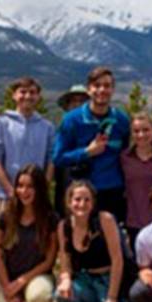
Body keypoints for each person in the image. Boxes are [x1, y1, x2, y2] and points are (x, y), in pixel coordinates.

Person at [0, 165, 58, 302]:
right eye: (20, 185)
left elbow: (49, 261)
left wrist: (21, 282)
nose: (23, 191)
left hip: (36, 277)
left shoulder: (50, 219)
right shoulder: (3, 217)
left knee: (39, 296)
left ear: (40, 189)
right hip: (7, 279)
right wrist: (8, 289)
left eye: (30, 186)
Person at [55, 180, 124, 302]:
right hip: (85, 281)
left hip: (109, 283)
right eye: (77, 199)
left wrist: (112, 299)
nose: (82, 204)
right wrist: (66, 279)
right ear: (69, 202)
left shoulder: (104, 220)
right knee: (61, 295)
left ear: (93, 202)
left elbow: (118, 260)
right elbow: (65, 260)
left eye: (87, 199)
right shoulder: (64, 226)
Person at [52, 66, 131, 222]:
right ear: (89, 90)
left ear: (113, 89)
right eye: (97, 86)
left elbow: (126, 153)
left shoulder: (121, 120)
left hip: (113, 191)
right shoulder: (72, 120)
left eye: (107, 86)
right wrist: (86, 152)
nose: (102, 90)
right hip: (82, 193)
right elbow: (58, 157)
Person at [0, 76, 55, 217]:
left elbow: (50, 161)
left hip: (36, 197)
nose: (27, 96)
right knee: (3, 237)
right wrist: (10, 191)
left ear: (38, 96)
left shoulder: (47, 127)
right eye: (23, 92)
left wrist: (43, 190)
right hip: (5, 195)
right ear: (14, 95)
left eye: (32, 92)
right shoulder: (1, 124)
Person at [120, 112, 152, 250]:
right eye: (136, 131)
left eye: (146, 130)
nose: (141, 135)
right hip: (134, 221)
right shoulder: (124, 158)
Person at [53, 83, 89, 214]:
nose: (78, 105)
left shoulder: (97, 130)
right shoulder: (61, 130)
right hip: (64, 184)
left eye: (82, 101)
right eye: (74, 101)